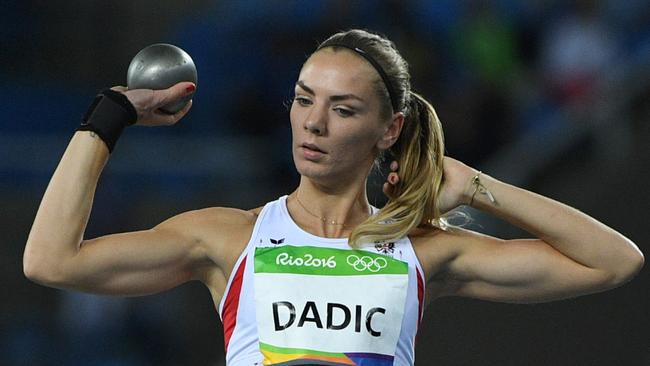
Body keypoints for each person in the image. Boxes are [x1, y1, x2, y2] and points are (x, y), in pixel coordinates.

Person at [24, 29, 643, 366]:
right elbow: (50, 261)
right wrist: (106, 119)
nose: (313, 124)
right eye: (302, 99)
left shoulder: (422, 252)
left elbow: (615, 261)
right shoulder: (228, 237)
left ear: (389, 129)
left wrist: (479, 185)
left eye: (342, 109)